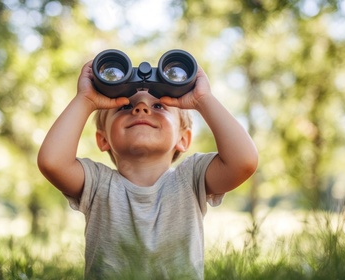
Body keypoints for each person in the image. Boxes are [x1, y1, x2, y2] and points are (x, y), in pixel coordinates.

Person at [37, 55, 258, 279]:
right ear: (103, 139)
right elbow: (52, 162)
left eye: (159, 105)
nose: (141, 108)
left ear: (184, 138)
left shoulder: (191, 178)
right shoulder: (97, 183)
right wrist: (85, 99)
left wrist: (203, 99)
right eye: (125, 107)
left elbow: (243, 161)